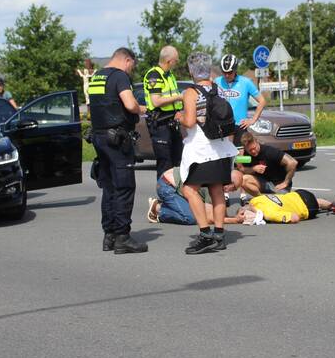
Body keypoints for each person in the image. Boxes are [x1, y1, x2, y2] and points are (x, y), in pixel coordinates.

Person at [88, 47, 147, 254]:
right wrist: (142, 109)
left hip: (99, 137)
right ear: (127, 60)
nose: (131, 71)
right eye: (132, 66)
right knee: (124, 186)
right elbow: (130, 105)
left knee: (109, 187)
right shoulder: (119, 76)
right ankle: (123, 237)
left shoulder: (97, 77)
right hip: (117, 140)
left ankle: (109, 236)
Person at [179, 52, 238, 254]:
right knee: (216, 189)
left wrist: (179, 116)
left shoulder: (191, 92)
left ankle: (205, 235)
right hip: (221, 148)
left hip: (202, 149)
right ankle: (219, 235)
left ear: (191, 71)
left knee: (189, 190)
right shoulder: (218, 89)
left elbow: (189, 121)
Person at [148, 167, 244, 226]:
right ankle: (158, 209)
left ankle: (171, 205)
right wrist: (235, 220)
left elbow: (220, 210)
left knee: (197, 210)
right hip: (166, 186)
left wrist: (234, 216)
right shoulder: (213, 184)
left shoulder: (218, 179)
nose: (234, 191)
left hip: (171, 183)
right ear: (228, 181)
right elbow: (210, 218)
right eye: (234, 187)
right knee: (191, 218)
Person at [143, 46, 185, 176]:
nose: (176, 63)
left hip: (172, 122)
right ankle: (164, 195)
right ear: (169, 61)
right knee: (165, 163)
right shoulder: (154, 75)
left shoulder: (169, 75)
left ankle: (176, 193)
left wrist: (179, 110)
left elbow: (172, 100)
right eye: (176, 60)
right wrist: (179, 97)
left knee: (177, 160)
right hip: (160, 124)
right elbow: (156, 101)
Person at [215, 54, 266, 146]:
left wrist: (253, 120)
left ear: (235, 70)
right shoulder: (217, 81)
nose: (226, 75)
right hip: (222, 125)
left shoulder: (246, 82)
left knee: (239, 158)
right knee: (224, 158)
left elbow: (262, 101)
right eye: (224, 72)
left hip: (239, 125)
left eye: (230, 72)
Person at [231, 191, 335, 224]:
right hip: (298, 194)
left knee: (313, 206)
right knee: (316, 201)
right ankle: (333, 204)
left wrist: (271, 220)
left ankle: (334, 206)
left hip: (307, 208)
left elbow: (294, 218)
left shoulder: (268, 214)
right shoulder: (255, 199)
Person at [237, 131, 297, 196]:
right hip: (264, 183)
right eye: (250, 150)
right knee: (243, 179)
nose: (253, 151)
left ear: (256, 142)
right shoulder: (244, 154)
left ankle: (275, 197)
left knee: (278, 204)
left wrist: (286, 182)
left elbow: (293, 162)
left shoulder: (269, 151)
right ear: (245, 148)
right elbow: (241, 169)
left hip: (279, 185)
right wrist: (253, 169)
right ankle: (262, 199)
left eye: (254, 148)